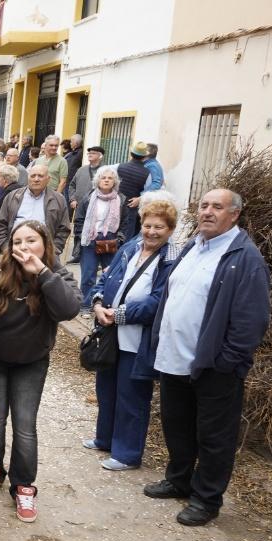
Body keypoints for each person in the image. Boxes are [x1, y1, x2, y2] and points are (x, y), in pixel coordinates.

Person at [145, 189, 270, 526]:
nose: (208, 212)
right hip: (175, 359)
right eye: (203, 206)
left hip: (214, 367)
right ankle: (179, 479)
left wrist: (226, 361)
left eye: (218, 206)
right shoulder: (192, 246)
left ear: (235, 215)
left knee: (214, 437)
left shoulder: (244, 258)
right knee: (177, 426)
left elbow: (251, 320)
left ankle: (206, 498)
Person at [0, 220, 81, 522]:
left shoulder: (56, 275)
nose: (23, 247)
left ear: (45, 245)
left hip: (32, 361)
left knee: (24, 426)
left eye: (31, 241)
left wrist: (43, 273)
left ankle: (23, 485)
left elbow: (69, 310)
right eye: (17, 242)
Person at [88, 197, 181, 471]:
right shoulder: (130, 247)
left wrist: (117, 314)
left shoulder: (170, 259)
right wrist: (96, 305)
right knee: (106, 389)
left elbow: (158, 300)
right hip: (110, 331)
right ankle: (104, 438)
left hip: (138, 339)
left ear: (170, 230)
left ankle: (127, 453)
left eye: (159, 227)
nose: (151, 232)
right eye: (148, 225)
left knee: (132, 396)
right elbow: (105, 278)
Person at [75, 166, 127, 313]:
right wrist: (81, 237)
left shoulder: (121, 199)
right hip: (90, 240)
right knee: (88, 275)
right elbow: (79, 220)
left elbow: (125, 224)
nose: (106, 180)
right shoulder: (88, 198)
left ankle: (104, 304)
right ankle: (85, 306)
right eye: (103, 177)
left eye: (110, 178)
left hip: (110, 241)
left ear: (115, 182)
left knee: (110, 275)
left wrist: (119, 240)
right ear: (97, 180)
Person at [0, 164, 71, 256]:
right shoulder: (13, 196)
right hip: (14, 253)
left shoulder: (58, 199)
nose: (36, 179)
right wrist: (6, 248)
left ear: (48, 179)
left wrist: (53, 251)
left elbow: (64, 228)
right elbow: (0, 224)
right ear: (28, 177)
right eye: (33, 176)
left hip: (45, 255)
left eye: (40, 176)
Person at [67, 145, 105, 263]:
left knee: (96, 231)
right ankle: (77, 255)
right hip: (79, 206)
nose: (90, 155)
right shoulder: (81, 170)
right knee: (78, 229)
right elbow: (72, 185)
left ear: (100, 156)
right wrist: (72, 199)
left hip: (97, 207)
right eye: (89, 153)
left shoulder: (105, 171)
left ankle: (97, 258)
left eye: (93, 153)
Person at [116, 141, 152, 242]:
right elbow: (148, 193)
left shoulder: (118, 167)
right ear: (144, 157)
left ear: (131, 154)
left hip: (115, 204)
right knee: (126, 238)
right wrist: (140, 199)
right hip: (131, 208)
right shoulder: (147, 173)